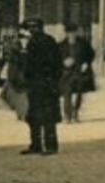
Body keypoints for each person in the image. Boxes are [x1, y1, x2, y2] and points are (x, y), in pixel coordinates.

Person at [13, 19, 64, 155]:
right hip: (38, 84)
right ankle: (39, 145)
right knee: (36, 116)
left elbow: (51, 64)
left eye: (31, 28)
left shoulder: (42, 42)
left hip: (44, 84)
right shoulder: (33, 43)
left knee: (45, 116)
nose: (29, 31)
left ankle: (49, 146)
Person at [59, 24, 96, 123]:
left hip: (79, 72)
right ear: (66, 34)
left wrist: (86, 63)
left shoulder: (84, 44)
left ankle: (76, 112)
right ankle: (67, 115)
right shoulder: (61, 45)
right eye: (69, 33)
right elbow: (56, 57)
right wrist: (63, 62)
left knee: (79, 93)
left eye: (73, 33)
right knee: (67, 94)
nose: (72, 35)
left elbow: (91, 54)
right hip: (66, 73)